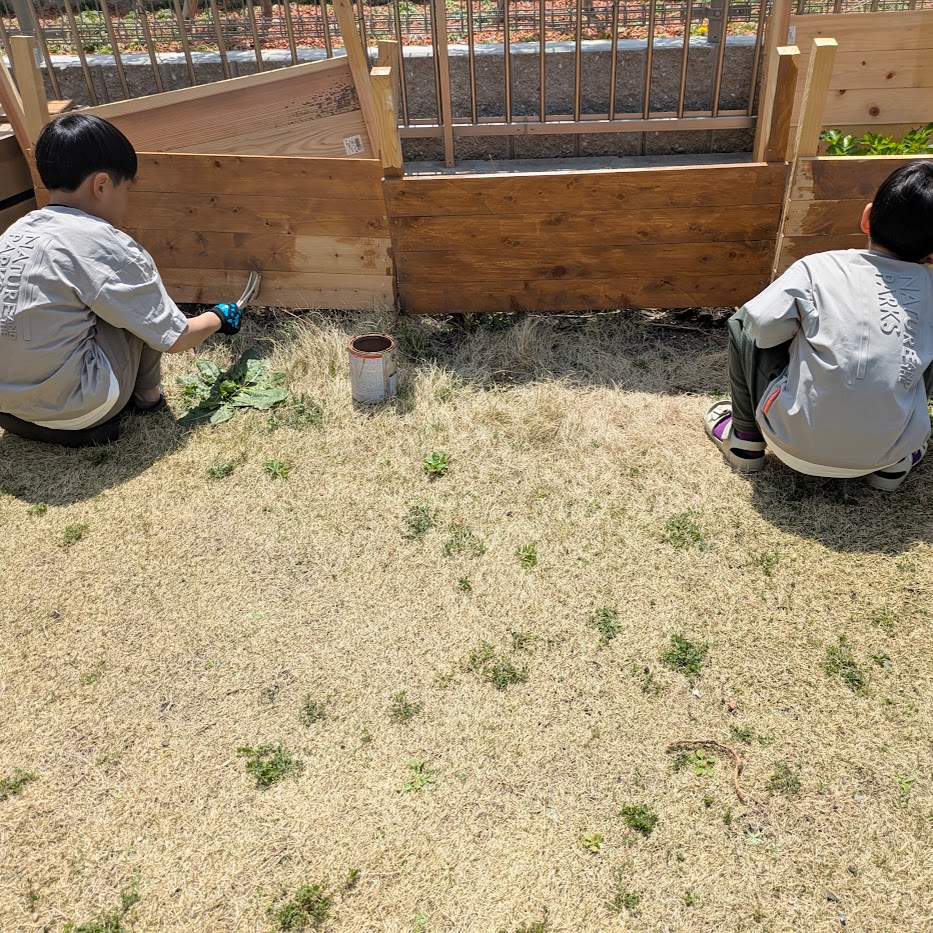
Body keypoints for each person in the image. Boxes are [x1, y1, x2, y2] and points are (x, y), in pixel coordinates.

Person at [0, 113, 243, 447]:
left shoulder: (17, 232)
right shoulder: (104, 245)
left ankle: (34, 414)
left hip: (6, 400)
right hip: (79, 408)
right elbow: (175, 337)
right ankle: (147, 397)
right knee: (136, 305)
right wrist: (219, 316)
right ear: (101, 185)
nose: (126, 199)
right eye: (126, 188)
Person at [705, 160, 933, 491]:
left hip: (790, 440)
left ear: (867, 217)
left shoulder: (817, 267)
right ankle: (895, 463)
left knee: (745, 322)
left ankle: (744, 438)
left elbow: (762, 326)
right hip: (886, 451)